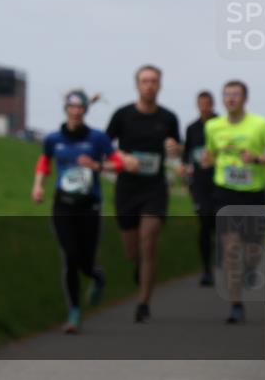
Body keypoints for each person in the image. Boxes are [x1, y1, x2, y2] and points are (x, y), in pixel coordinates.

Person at [32, 90, 134, 334]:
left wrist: (97, 165)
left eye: (80, 108)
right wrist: (37, 186)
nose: (76, 112)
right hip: (63, 205)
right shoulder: (53, 139)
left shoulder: (97, 138)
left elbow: (119, 163)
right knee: (69, 257)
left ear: (85, 111)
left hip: (90, 206)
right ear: (66, 109)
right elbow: (44, 161)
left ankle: (97, 276)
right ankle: (74, 312)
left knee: (85, 262)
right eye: (72, 107)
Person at [201, 80, 265, 324]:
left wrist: (257, 158)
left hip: (254, 193)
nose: (231, 99)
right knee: (231, 248)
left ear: (245, 99)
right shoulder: (213, 126)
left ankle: (251, 268)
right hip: (225, 192)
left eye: (236, 95)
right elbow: (212, 153)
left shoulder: (260, 124)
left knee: (252, 248)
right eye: (227, 95)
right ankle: (236, 304)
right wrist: (207, 159)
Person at [106, 65, 181, 323]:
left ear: (160, 85)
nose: (149, 85)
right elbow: (105, 148)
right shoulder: (122, 115)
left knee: (148, 240)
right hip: (127, 188)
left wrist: (175, 148)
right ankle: (139, 268)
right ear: (137, 85)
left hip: (154, 188)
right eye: (144, 81)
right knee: (132, 250)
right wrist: (122, 157)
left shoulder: (168, 118)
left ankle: (143, 302)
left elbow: (176, 149)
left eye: (154, 81)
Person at [180, 90, 218, 286]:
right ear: (197, 105)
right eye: (201, 103)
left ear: (213, 104)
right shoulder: (192, 128)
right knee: (204, 224)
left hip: (221, 182)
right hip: (200, 184)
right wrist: (184, 168)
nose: (204, 107)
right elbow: (186, 155)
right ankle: (206, 270)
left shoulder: (222, 124)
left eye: (207, 103)